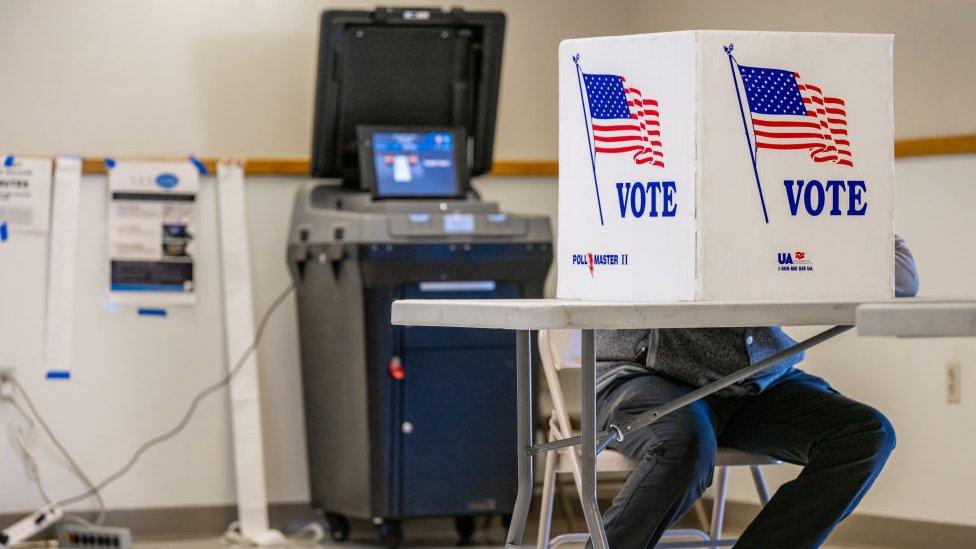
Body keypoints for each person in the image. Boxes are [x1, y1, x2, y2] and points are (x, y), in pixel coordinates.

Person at [593, 236, 919, 549]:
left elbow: (903, 278)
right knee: (681, 447)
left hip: (754, 379)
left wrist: (817, 245)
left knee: (865, 435)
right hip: (653, 376)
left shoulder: (806, 198)